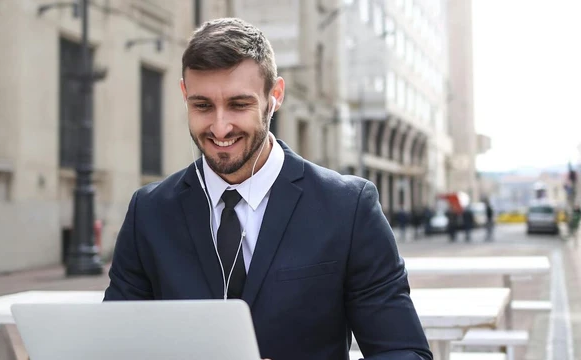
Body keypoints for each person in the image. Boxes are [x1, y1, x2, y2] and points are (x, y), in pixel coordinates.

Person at [103, 18, 431, 360]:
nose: (219, 127)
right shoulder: (149, 212)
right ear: (184, 94)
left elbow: (405, 352)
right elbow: (115, 347)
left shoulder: (349, 208)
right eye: (202, 106)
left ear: (275, 96)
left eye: (238, 105)